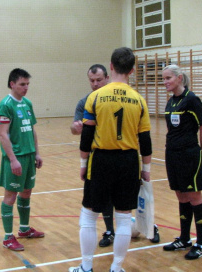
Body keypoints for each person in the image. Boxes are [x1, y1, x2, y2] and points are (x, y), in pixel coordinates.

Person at [69, 47, 153, 272]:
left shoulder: (95, 98)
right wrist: (146, 168)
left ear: (111, 67)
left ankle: (86, 267)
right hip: (128, 162)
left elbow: (86, 137)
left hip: (101, 161)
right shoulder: (139, 100)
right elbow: (145, 140)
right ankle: (116, 268)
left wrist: (83, 165)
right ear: (132, 70)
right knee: (124, 218)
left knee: (88, 215)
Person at [161, 64, 202, 260]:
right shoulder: (170, 102)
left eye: (168, 78)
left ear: (179, 78)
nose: (165, 82)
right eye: (163, 79)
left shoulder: (191, 100)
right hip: (172, 155)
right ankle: (184, 238)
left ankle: (200, 243)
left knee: (194, 197)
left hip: (189, 155)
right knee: (181, 197)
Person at [0, 68, 44, 251]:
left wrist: (37, 153)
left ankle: (24, 229)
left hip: (29, 156)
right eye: (22, 84)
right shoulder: (6, 105)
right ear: (12, 84)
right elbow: (3, 135)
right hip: (15, 158)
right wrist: (13, 159)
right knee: (10, 197)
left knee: (26, 193)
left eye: (27, 84)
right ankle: (8, 237)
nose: (26, 88)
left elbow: (32, 130)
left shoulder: (27, 104)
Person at [71, 64, 117, 247]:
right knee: (101, 196)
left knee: (126, 196)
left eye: (99, 80)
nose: (95, 84)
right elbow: (74, 128)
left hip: (119, 153)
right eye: (92, 81)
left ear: (107, 77)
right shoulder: (84, 102)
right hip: (96, 156)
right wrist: (75, 128)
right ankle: (109, 231)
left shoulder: (118, 97)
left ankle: (146, 223)